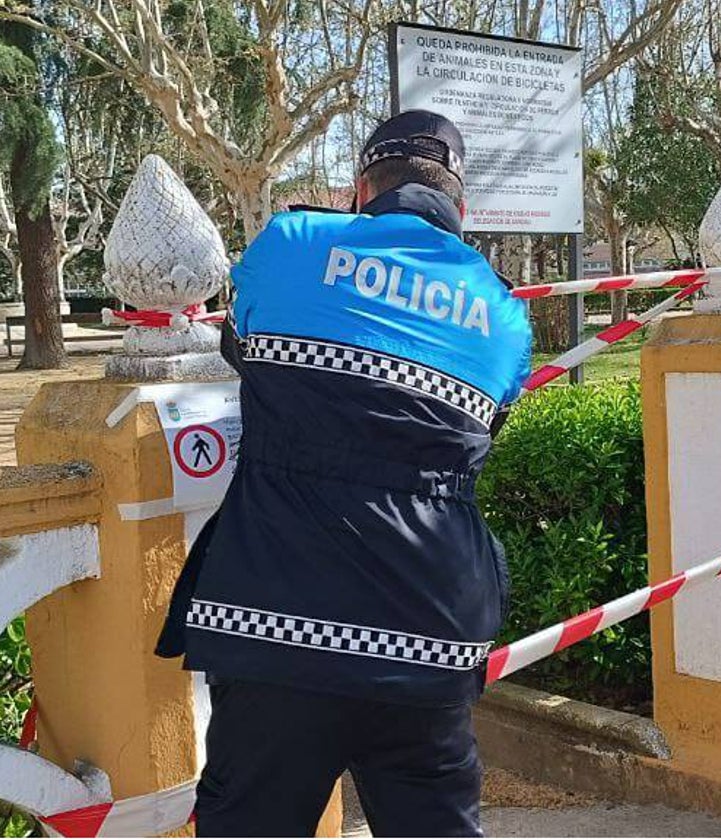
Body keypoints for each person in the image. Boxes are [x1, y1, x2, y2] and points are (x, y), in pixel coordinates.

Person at [156, 109, 532, 837]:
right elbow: (482, 427)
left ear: (361, 189)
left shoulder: (292, 244)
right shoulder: (504, 315)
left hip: (273, 627)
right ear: (461, 208)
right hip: (430, 637)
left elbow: (244, 339)